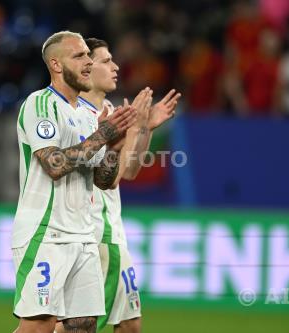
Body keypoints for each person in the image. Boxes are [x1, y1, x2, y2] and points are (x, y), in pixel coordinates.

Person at [12, 31, 137, 333]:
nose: (87, 63)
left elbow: (103, 181)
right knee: (39, 326)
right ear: (56, 64)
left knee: (83, 326)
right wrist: (103, 136)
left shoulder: (86, 115)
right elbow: (55, 164)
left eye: (87, 55)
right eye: (79, 56)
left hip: (83, 236)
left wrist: (114, 147)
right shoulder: (40, 104)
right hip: (46, 233)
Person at [56, 38, 180, 333]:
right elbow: (105, 179)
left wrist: (144, 130)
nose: (116, 66)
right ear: (86, 68)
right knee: (74, 327)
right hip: (91, 234)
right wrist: (133, 129)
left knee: (129, 325)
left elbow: (132, 170)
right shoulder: (74, 115)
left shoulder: (115, 112)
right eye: (106, 61)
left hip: (111, 231)